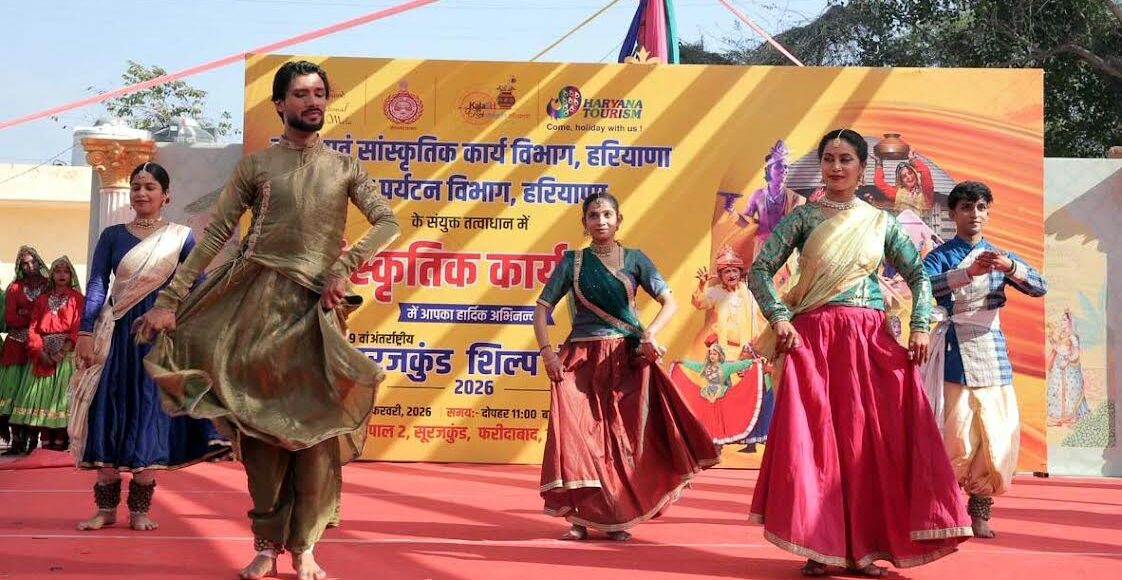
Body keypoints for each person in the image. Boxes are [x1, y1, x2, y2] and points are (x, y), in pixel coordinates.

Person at [138, 60, 400, 580]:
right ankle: (265, 544)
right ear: (280, 104)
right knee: (260, 433)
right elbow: (216, 235)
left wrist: (343, 267)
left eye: (319, 93)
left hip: (316, 314)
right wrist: (170, 298)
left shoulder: (345, 168)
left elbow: (387, 221)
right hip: (254, 309)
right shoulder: (257, 167)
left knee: (315, 434)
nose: (313, 101)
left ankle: (305, 546)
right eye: (301, 94)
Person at [747, 129, 972, 577]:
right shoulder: (802, 218)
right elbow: (760, 271)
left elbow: (919, 277)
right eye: (829, 158)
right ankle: (821, 545)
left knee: (868, 443)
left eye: (845, 159)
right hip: (813, 340)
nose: (836, 167)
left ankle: (867, 547)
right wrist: (780, 318)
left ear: (862, 167)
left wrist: (920, 326)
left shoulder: (880, 222)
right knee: (817, 443)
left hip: (868, 340)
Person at [533, 192, 719, 542]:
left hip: (625, 359)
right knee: (581, 438)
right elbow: (542, 309)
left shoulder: (635, 259)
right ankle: (581, 518)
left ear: (618, 220)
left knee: (623, 440)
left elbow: (669, 302)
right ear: (584, 223)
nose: (600, 221)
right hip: (581, 360)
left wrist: (649, 334)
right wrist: (548, 354)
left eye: (607, 214)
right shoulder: (572, 262)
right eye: (593, 215)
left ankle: (618, 516)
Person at [69, 162, 230, 532]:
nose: (142, 193)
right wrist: (85, 332)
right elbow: (97, 284)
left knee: (147, 415)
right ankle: (105, 509)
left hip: (157, 342)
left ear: (166, 196)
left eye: (150, 187)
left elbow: (198, 285)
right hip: (115, 337)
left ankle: (139, 510)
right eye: (136, 186)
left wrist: (180, 318)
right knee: (107, 412)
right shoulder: (112, 236)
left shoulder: (180, 238)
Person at [921, 180, 1047, 539]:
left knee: (994, 434)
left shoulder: (999, 256)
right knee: (956, 435)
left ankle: (979, 510)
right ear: (953, 214)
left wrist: (1009, 267)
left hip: (992, 352)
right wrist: (968, 273)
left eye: (980, 208)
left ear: (988, 213)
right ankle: (944, 509)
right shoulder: (941, 255)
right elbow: (922, 286)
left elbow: (1040, 286)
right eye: (966, 208)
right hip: (953, 354)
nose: (974, 214)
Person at [8, 256, 83, 451]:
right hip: (43, 356)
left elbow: (78, 326)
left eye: (65, 271)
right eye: (57, 271)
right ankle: (46, 443)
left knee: (61, 401)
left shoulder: (77, 299)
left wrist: (62, 352)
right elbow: (33, 328)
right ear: (51, 275)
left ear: (71, 275)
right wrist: (39, 352)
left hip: (66, 357)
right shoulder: (42, 299)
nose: (61, 275)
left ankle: (59, 443)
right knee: (43, 401)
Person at [0, 246, 50, 455]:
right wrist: (33, 316)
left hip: (37, 347)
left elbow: (48, 317)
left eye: (32, 262)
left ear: (39, 261)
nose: (29, 266)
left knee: (33, 395)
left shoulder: (49, 285)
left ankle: (32, 441)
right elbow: (10, 319)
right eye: (24, 264)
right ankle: (16, 442)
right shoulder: (14, 288)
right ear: (20, 267)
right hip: (16, 346)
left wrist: (26, 313)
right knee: (12, 395)